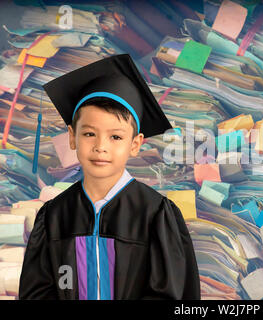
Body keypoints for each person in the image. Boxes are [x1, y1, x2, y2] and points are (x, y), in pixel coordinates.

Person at [18, 54, 201, 300]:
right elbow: (36, 293)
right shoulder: (54, 216)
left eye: (116, 137)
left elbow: (173, 296)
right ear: (72, 137)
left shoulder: (155, 214)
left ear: (135, 144)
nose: (100, 147)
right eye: (89, 134)